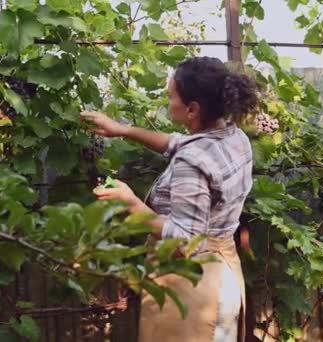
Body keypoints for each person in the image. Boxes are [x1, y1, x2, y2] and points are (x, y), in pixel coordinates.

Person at [81, 56, 257, 342]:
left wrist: (131, 202)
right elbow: (177, 142)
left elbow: (187, 239)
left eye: (171, 96)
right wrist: (121, 129)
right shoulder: (233, 137)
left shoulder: (193, 161)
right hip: (223, 276)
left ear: (192, 109)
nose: (167, 100)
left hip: (195, 287)